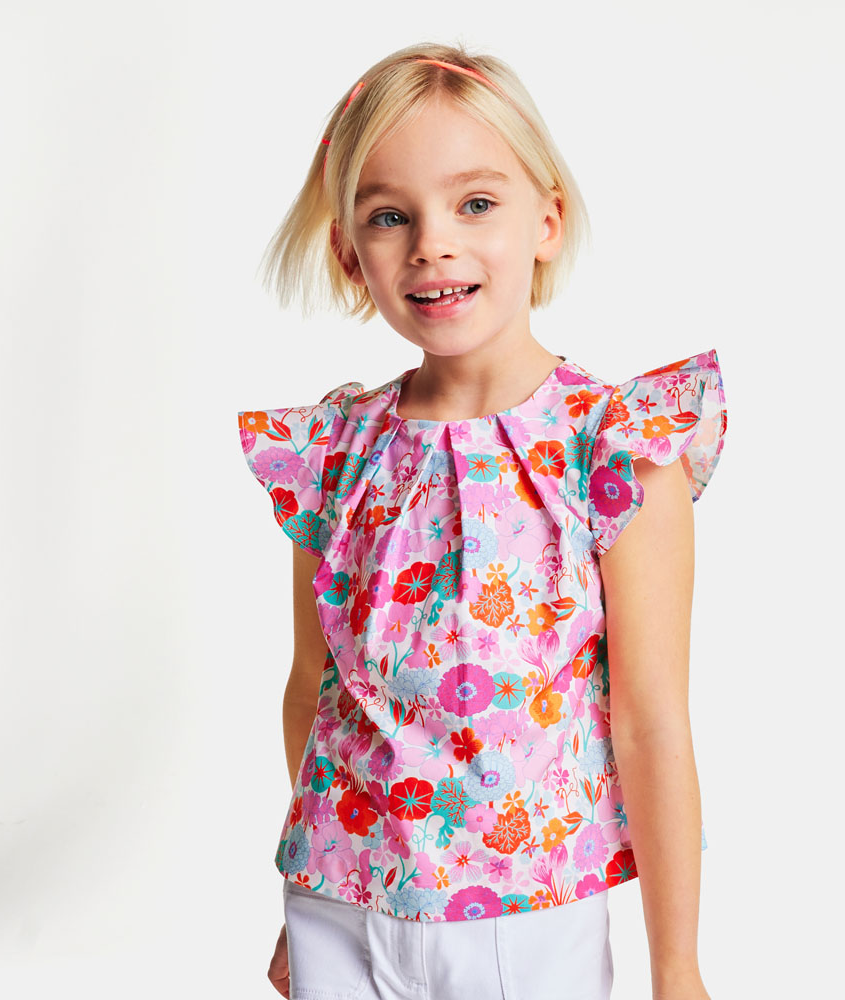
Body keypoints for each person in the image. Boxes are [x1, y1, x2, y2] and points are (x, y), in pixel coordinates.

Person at [237, 41, 726, 1000]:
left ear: (546, 219)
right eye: (390, 216)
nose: (432, 244)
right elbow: (313, 688)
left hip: (525, 914)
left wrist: (678, 969)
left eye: (475, 203)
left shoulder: (612, 450)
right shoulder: (336, 454)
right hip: (340, 910)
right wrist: (319, 873)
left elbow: (651, 725)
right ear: (349, 252)